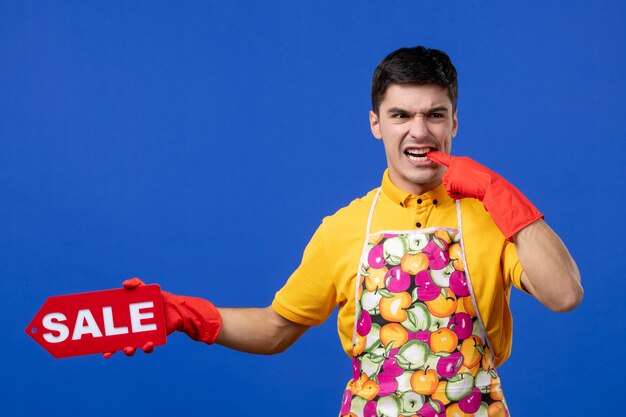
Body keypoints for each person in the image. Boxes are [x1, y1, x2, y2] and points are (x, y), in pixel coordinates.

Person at [110, 46, 583, 417]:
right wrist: (184, 315)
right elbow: (276, 329)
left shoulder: (494, 221)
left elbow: (564, 294)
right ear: (376, 124)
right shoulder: (343, 228)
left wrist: (499, 193)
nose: (419, 131)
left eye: (434, 114)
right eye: (401, 115)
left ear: (454, 122)